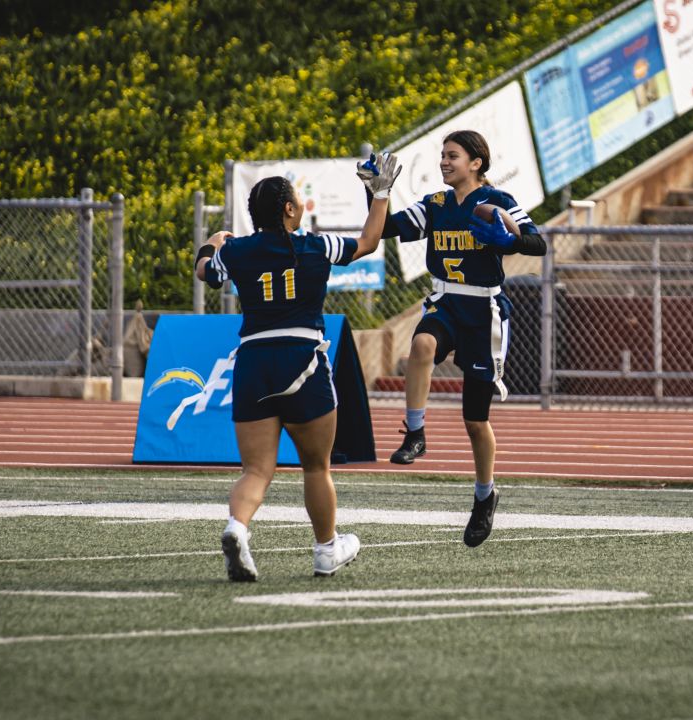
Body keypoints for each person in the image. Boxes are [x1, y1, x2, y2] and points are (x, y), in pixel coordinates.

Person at [196, 152, 401, 581]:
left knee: (256, 469)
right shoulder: (314, 244)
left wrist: (213, 242)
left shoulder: (237, 251)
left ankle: (237, 528)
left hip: (253, 360)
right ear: (289, 209)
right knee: (315, 466)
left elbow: (204, 272)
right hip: (303, 359)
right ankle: (326, 549)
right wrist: (379, 195)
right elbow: (367, 242)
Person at [377, 130, 546, 547]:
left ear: (477, 163)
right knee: (421, 345)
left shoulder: (498, 202)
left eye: (452, 156)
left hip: (483, 312)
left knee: (475, 421)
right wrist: (377, 194)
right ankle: (415, 432)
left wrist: (510, 241)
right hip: (446, 301)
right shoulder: (435, 204)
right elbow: (385, 229)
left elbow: (538, 242)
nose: (444, 162)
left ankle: (485, 495)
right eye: (442, 156)